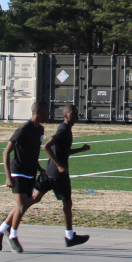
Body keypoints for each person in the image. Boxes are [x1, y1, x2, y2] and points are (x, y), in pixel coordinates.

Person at [0, 102, 47, 252]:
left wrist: (39, 168)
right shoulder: (23, 130)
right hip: (18, 172)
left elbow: (33, 153)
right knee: (21, 206)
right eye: (46, 112)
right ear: (37, 112)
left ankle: (0, 229)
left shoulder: (40, 129)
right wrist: (8, 176)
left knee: (24, 204)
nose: (48, 115)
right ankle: (13, 236)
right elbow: (6, 152)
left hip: (31, 172)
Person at [36, 106, 91, 247]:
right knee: (67, 203)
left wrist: (80, 149)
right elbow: (46, 147)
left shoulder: (66, 129)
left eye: (77, 113)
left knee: (34, 199)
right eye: (73, 113)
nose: (77, 116)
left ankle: (5, 226)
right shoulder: (63, 129)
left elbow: (63, 151)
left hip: (49, 171)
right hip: (58, 174)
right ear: (66, 115)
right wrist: (59, 165)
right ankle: (69, 236)